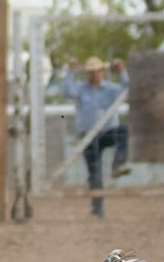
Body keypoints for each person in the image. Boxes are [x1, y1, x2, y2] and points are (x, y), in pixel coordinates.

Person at [62, 56, 132, 218]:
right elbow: (65, 91)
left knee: (124, 131)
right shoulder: (80, 89)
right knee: (94, 171)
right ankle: (97, 209)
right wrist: (70, 72)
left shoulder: (110, 88)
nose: (93, 75)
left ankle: (118, 164)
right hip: (88, 135)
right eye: (90, 72)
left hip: (107, 131)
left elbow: (128, 89)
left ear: (102, 72)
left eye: (97, 72)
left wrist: (122, 71)